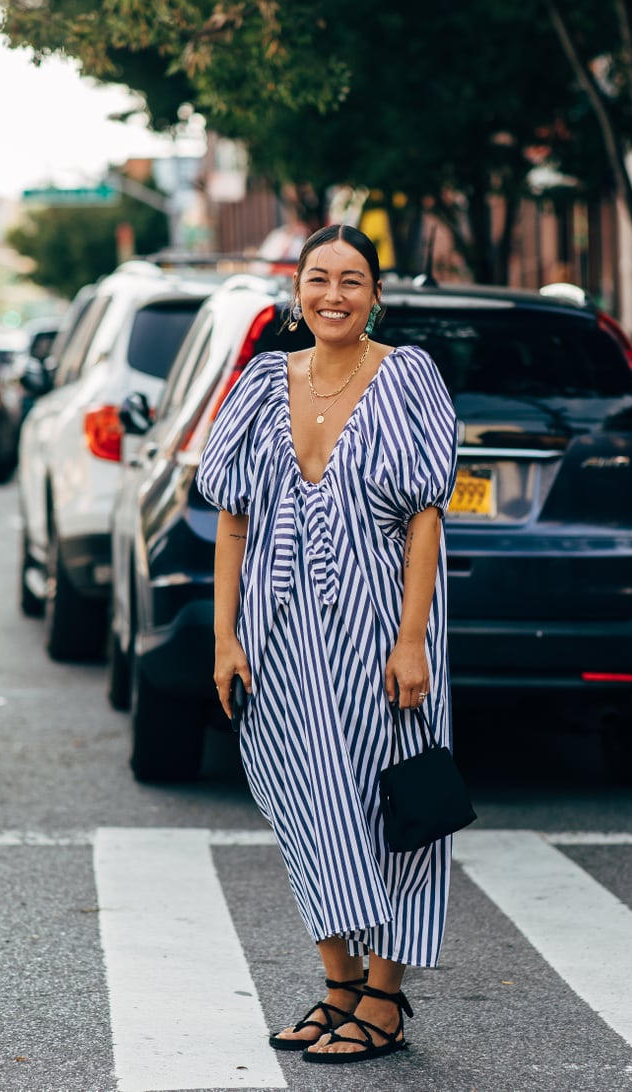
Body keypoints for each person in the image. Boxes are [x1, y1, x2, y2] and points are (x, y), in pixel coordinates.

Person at [196, 224, 459, 1064]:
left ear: (375, 294)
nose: (334, 295)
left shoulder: (408, 376)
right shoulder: (262, 382)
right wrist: (223, 637)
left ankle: (383, 998)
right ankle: (339, 986)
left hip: (383, 626)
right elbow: (231, 519)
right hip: (281, 637)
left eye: (352, 280)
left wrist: (412, 640)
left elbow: (426, 519)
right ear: (297, 291)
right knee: (305, 802)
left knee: (398, 808)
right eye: (319, 279)